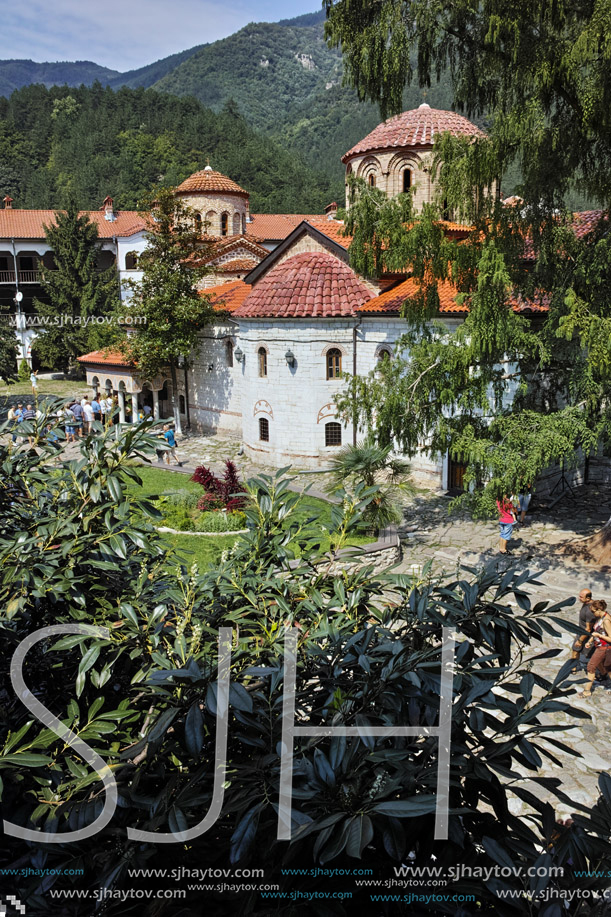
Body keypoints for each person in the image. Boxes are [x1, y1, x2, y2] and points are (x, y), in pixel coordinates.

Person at [579, 601, 611, 697]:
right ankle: (604, 677)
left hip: (604, 648)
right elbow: (597, 631)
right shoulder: (601, 617)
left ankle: (587, 691)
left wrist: (598, 635)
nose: (593, 614)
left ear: (599, 610)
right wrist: (590, 641)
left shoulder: (606, 621)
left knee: (591, 667)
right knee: (608, 668)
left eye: (594, 611)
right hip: (599, 646)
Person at [570, 588, 595, 671]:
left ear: (588, 598)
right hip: (581, 631)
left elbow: (588, 629)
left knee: (577, 650)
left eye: (581, 597)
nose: (579, 598)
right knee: (575, 650)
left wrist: (580, 640)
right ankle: (573, 667)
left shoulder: (589, 611)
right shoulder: (587, 603)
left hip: (584, 633)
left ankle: (603, 673)